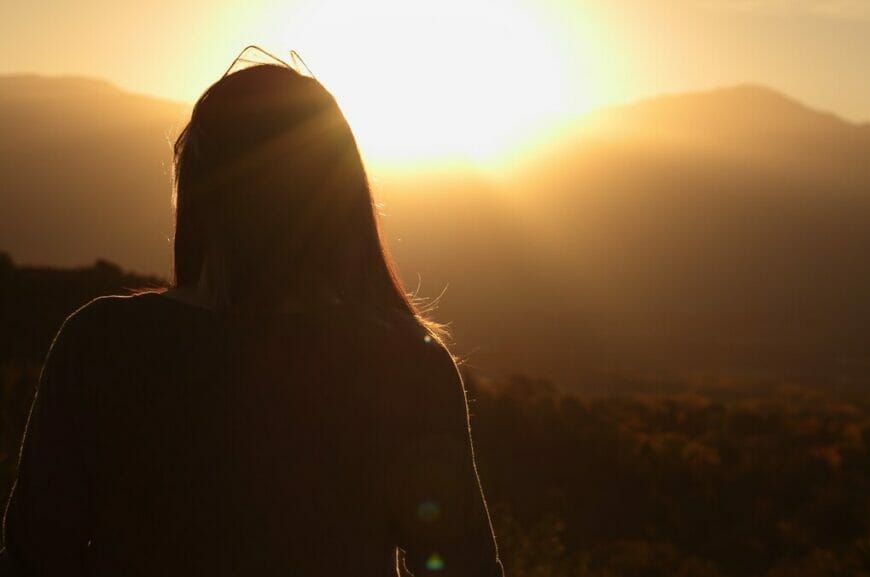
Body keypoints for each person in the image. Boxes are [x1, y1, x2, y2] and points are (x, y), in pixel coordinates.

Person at [0, 51, 504, 576]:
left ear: (199, 191)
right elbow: (459, 567)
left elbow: (35, 560)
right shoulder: (403, 365)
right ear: (341, 193)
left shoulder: (101, 344)